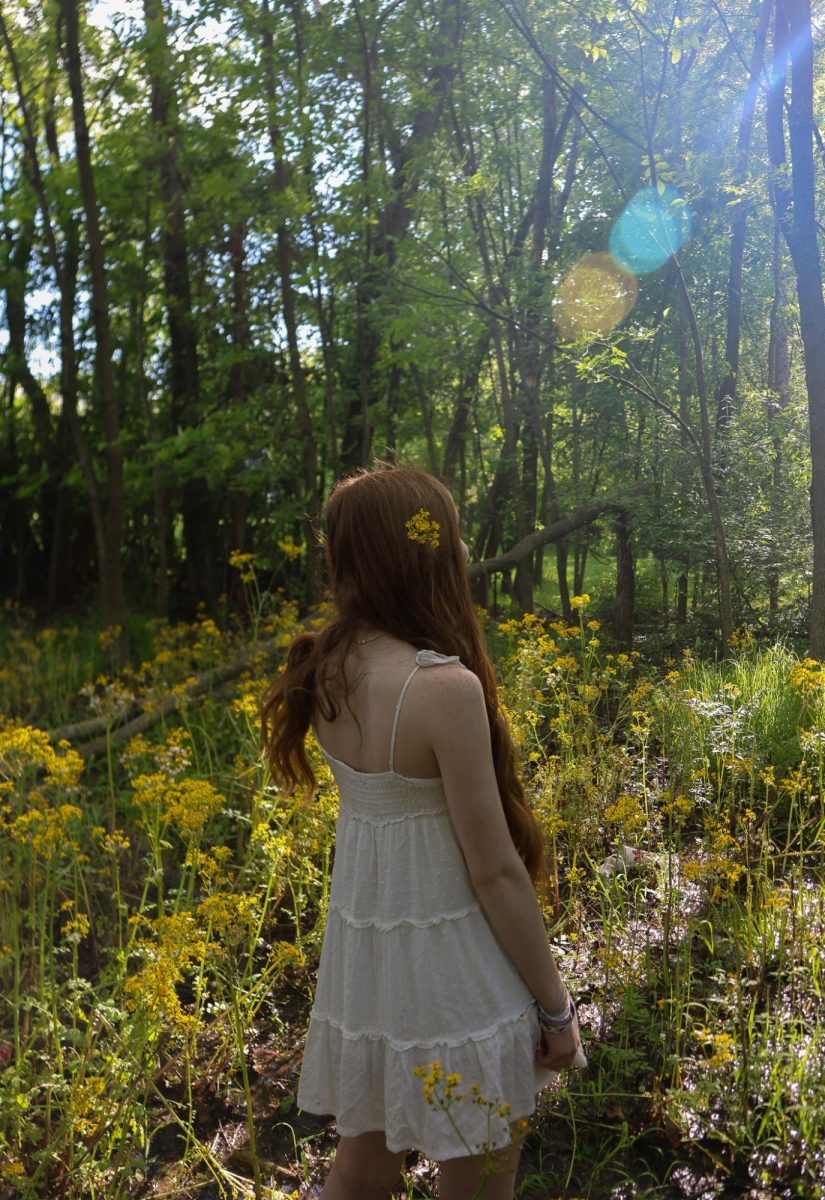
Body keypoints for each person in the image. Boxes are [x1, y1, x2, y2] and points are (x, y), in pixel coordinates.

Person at [261, 465, 583, 1200]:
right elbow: (494, 871)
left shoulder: (325, 669)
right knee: (479, 1180)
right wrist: (555, 1008)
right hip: (454, 982)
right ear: (427, 555)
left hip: (369, 971)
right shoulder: (441, 688)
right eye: (452, 538)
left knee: (361, 1172)